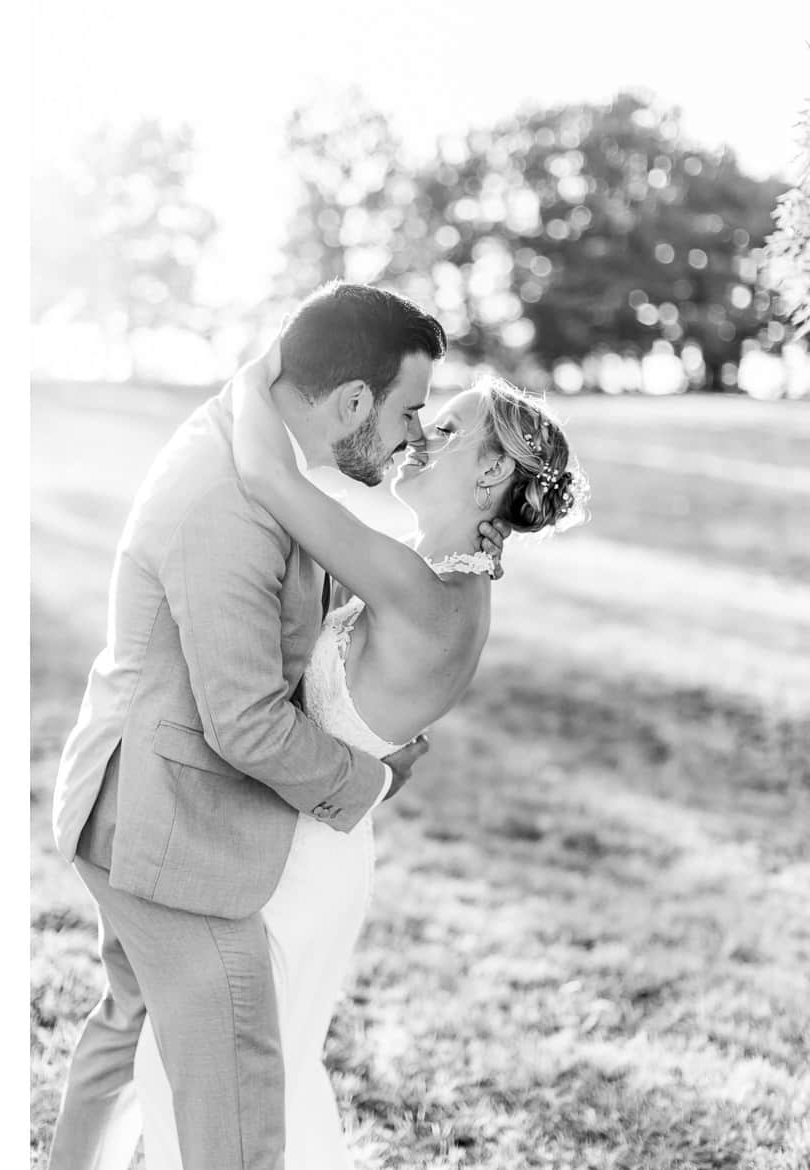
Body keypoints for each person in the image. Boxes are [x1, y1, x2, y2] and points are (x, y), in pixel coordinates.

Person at [135, 329, 587, 1168]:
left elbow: (270, 478)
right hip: (304, 836)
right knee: (226, 1074)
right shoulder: (436, 575)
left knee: (228, 1082)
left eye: (447, 431)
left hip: (294, 864)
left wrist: (269, 370)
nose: (419, 436)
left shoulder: (427, 590)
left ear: (492, 474)